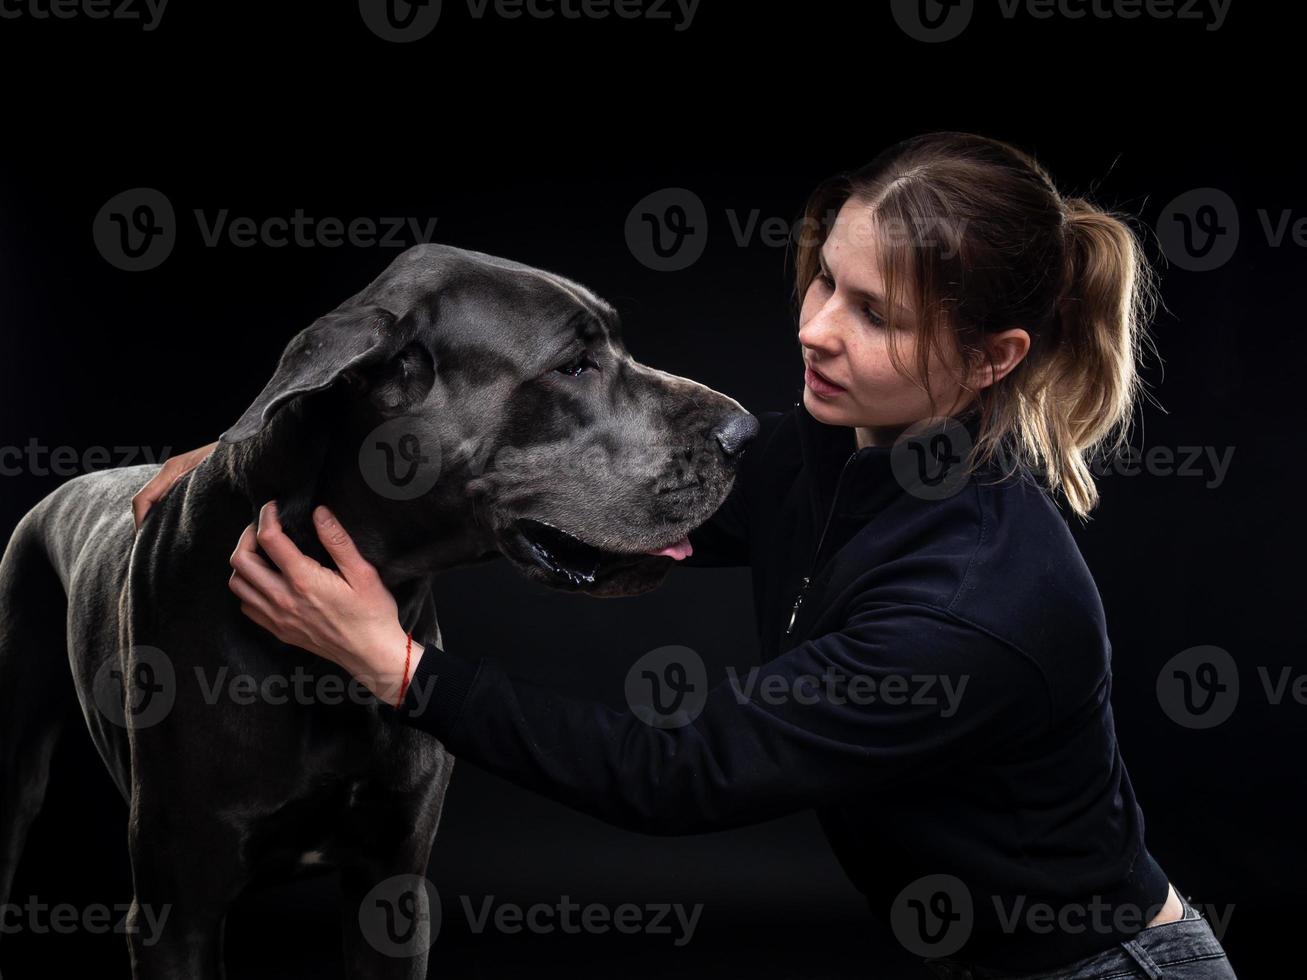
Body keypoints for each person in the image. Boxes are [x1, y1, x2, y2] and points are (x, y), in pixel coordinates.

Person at [133, 132, 1238, 978]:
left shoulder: (975, 600)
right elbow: (626, 501)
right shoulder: (854, 454)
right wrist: (264, 449)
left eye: (875, 313)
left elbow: (678, 773)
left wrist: (401, 669)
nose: (814, 328)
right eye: (823, 279)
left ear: (991, 358)